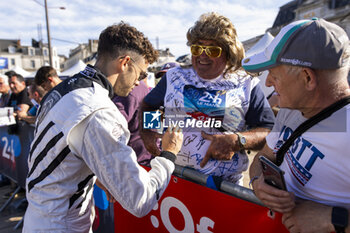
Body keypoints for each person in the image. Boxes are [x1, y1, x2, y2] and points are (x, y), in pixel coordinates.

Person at [23, 22, 183, 232]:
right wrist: (169, 154)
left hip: (43, 213)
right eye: (142, 74)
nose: (141, 81)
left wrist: (95, 170)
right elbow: (141, 200)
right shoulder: (99, 109)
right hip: (59, 223)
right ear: (125, 63)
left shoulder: (65, 88)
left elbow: (62, 150)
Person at [141, 12, 275, 184]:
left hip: (224, 185)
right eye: (197, 48)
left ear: (228, 52)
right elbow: (149, 104)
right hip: (175, 177)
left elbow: (268, 130)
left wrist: (238, 141)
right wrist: (148, 132)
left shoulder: (247, 83)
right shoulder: (174, 76)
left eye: (212, 49)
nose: (202, 55)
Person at [243, 18, 350, 233]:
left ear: (307, 77)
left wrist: (334, 218)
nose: (267, 83)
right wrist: (257, 180)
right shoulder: (290, 109)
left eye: (274, 74)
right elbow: (264, 156)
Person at [112, 80, 153, 165]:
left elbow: (111, 126)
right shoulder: (147, 91)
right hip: (146, 156)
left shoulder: (131, 90)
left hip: (134, 158)